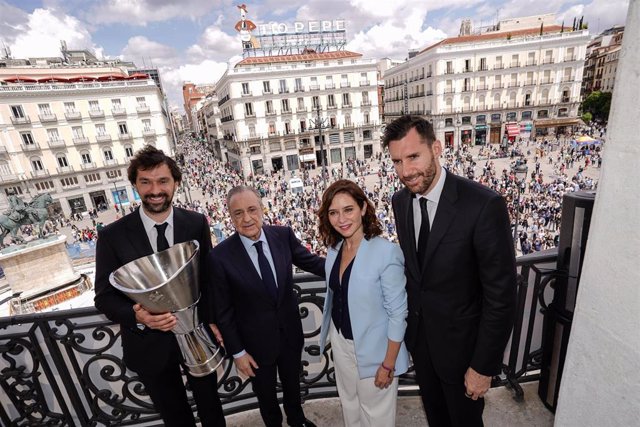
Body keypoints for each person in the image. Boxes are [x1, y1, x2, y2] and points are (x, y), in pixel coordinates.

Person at [383, 115, 517, 427]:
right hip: (424, 346)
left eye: (413, 157)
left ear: (437, 148)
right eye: (397, 161)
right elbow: (418, 274)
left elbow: (501, 296)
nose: (405, 171)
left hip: (465, 354)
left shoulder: (483, 205)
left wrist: (483, 366)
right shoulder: (400, 201)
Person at [94, 145, 225, 427]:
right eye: (146, 182)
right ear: (135, 185)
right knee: (175, 418)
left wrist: (213, 320)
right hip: (148, 346)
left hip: (197, 336)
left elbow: (208, 279)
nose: (155, 190)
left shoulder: (196, 222)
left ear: (176, 183)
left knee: (212, 410)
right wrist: (138, 316)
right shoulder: (111, 236)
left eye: (163, 181)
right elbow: (104, 297)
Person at [207, 185, 324, 427]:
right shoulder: (220, 257)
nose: (247, 218)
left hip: (290, 335)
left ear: (262, 209)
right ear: (230, 217)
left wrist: (349, 264)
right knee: (266, 397)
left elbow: (312, 262)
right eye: (238, 213)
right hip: (254, 347)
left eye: (252, 209)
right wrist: (238, 353)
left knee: (294, 386)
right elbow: (223, 311)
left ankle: (297, 420)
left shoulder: (283, 235)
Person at [317, 179, 409, 426]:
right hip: (341, 342)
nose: (341, 219)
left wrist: (388, 365)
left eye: (348, 209)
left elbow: (398, 315)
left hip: (376, 350)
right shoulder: (335, 249)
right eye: (333, 212)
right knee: (350, 406)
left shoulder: (386, 252)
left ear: (363, 209)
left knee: (375, 416)